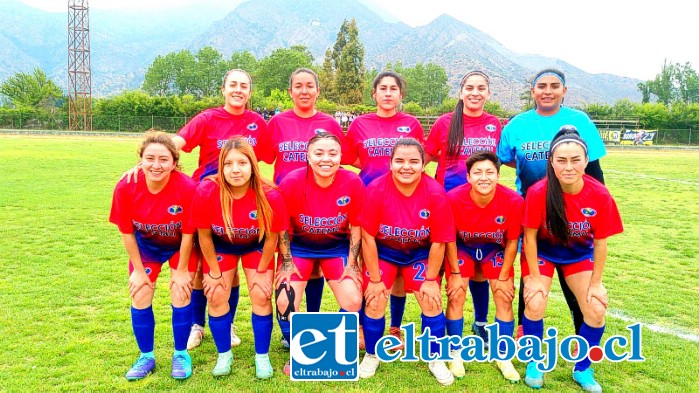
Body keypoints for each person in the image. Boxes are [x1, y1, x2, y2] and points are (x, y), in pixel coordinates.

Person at [123, 69, 266, 351]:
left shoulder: (258, 123)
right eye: (233, 85)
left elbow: (273, 155)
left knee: (230, 270)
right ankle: (197, 325)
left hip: (239, 201)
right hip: (206, 200)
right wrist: (152, 159)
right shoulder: (208, 118)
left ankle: (228, 321)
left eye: (244, 86)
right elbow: (178, 141)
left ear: (250, 92)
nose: (238, 90)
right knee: (202, 267)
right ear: (223, 89)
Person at [497, 68, 607, 344]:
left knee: (576, 276)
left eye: (554, 86)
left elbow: (593, 168)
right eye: (542, 86)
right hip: (532, 209)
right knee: (532, 275)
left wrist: (594, 209)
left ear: (564, 91)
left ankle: (582, 334)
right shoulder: (516, 125)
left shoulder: (578, 120)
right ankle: (528, 335)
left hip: (574, 213)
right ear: (533, 91)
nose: (548, 90)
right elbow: (505, 159)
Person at [520, 128, 622, 391]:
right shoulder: (537, 192)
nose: (568, 167)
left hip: (577, 256)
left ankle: (582, 367)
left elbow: (600, 242)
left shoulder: (599, 194)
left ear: (586, 161)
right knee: (535, 302)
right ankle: (534, 361)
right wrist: (532, 278)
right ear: (551, 162)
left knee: (596, 309)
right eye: (561, 160)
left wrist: (597, 283)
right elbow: (529, 238)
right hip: (542, 254)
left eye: (575, 159)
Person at [258, 68, 352, 334]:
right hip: (288, 207)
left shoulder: (330, 123)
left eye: (309, 85)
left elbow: (341, 159)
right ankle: (294, 329)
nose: (304, 91)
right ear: (290, 92)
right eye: (298, 86)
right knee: (293, 264)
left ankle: (313, 318)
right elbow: (260, 158)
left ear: (318, 91)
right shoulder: (277, 123)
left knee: (318, 269)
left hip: (324, 205)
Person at [358, 138, 455, 386]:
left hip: (418, 254)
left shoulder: (435, 192)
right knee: (375, 299)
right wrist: (376, 280)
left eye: (414, 161)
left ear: (423, 165)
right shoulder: (377, 189)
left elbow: (439, 241)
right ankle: (371, 354)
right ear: (390, 164)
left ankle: (436, 358)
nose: (406, 166)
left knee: (431, 300)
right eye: (399, 160)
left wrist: (431, 280)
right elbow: (367, 237)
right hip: (385, 253)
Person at [190, 137, 287, 378]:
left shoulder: (270, 194)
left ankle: (261, 357)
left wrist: (264, 271)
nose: (235, 169)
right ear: (221, 166)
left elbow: (273, 238)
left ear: (253, 165)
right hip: (221, 247)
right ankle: (224, 354)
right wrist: (213, 272)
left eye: (242, 163)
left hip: (256, 247)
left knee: (261, 296)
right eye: (229, 163)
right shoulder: (207, 190)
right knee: (216, 295)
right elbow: (203, 237)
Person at [345, 70, 425, 350]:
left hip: (403, 204)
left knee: (400, 272)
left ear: (401, 95)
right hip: (369, 199)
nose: (388, 93)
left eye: (394, 88)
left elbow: (417, 159)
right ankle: (359, 326)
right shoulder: (360, 124)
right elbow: (350, 156)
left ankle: (395, 327)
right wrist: (372, 174)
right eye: (383, 88)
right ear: (374, 94)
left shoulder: (412, 124)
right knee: (367, 264)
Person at [109, 131, 198, 380]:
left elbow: (190, 233)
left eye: (163, 160)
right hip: (146, 247)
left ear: (174, 162)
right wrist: (138, 271)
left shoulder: (187, 188)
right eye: (150, 158)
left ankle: (181, 353)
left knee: (181, 293)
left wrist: (181, 271)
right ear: (141, 160)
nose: (156, 165)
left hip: (181, 246)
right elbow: (126, 232)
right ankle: (146, 356)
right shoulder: (126, 186)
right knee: (141, 293)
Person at [424, 70, 503, 348]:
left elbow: (504, 161)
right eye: (469, 87)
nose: (475, 92)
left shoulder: (495, 124)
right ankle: (442, 324)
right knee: (447, 264)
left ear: (488, 93)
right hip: (447, 203)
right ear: (461, 92)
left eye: (481, 88)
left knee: (479, 267)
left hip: (482, 205)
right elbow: (425, 155)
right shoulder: (445, 123)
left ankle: (480, 322)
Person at [275, 132, 365, 376]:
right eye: (319, 153)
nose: (326, 159)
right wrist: (285, 261)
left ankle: (332, 338)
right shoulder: (292, 181)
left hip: (335, 248)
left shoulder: (352, 181)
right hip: (300, 248)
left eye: (333, 153)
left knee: (354, 299)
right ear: (308, 156)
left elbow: (356, 225)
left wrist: (353, 262)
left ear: (341, 156)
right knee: (285, 299)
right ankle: (296, 344)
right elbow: (282, 226)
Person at [443, 150, 523, 382]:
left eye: (490, 172)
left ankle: (502, 355)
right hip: (463, 247)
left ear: (499, 176)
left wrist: (505, 275)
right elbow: (448, 238)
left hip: (493, 250)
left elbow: (511, 241)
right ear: (468, 177)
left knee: (504, 293)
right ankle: (456, 352)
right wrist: (455, 274)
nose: (484, 177)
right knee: (456, 293)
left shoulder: (513, 200)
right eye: (477, 172)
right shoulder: (453, 198)